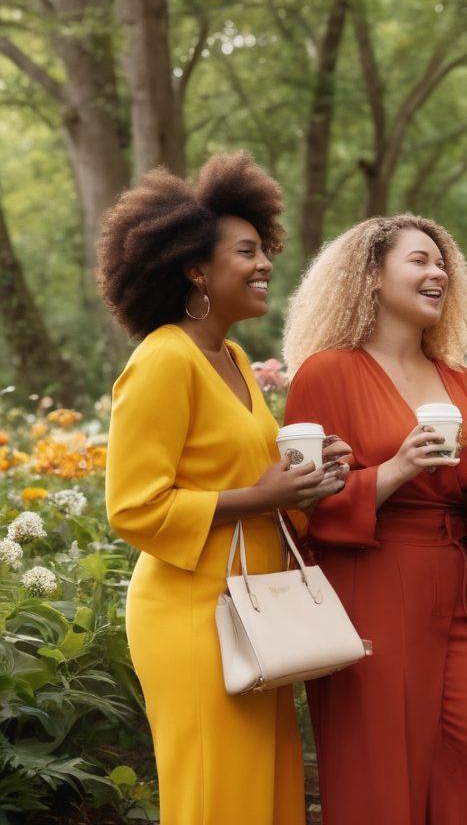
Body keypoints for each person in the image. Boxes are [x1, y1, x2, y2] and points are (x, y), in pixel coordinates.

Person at [101, 152, 347, 825]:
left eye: (265, 248)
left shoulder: (233, 357)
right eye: (247, 251)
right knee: (217, 798)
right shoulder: (161, 361)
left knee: (265, 797)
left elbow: (252, 480)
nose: (266, 262)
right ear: (195, 269)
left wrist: (311, 476)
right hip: (190, 618)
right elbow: (133, 507)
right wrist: (262, 497)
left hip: (256, 612)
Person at [281, 214, 467, 824]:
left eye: (442, 262)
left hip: (462, 588)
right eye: (419, 261)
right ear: (371, 275)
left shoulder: (457, 377)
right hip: (370, 587)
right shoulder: (328, 372)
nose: (437, 272)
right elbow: (300, 507)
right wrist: (394, 471)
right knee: (384, 770)